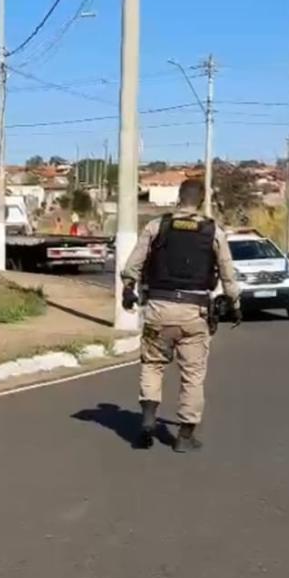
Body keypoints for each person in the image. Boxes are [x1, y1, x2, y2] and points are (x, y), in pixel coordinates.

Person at [121, 178, 242, 453]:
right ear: (200, 201)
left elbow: (133, 265)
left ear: (179, 196)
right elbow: (227, 272)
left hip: (157, 311)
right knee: (192, 375)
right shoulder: (213, 231)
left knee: (152, 365)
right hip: (194, 313)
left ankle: (149, 422)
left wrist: (128, 289)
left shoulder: (157, 226)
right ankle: (184, 436)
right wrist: (235, 303)